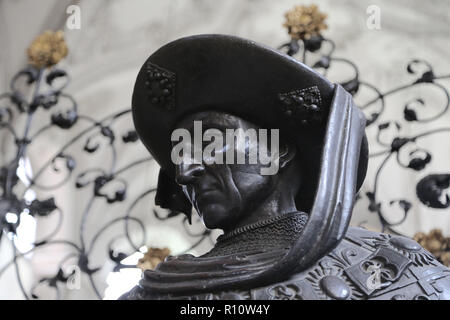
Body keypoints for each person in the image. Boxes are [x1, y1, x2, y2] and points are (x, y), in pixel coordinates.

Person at [121, 34, 450, 300]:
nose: (184, 172)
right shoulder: (156, 294)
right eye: (180, 155)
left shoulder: (391, 260)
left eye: (208, 141)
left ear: (278, 150)